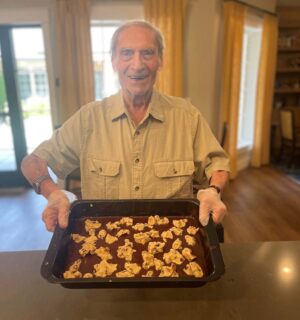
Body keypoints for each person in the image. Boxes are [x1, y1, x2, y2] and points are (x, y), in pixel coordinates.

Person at [21, 20, 230, 232]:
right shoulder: (88, 119)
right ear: (113, 61)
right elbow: (32, 162)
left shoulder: (187, 116)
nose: (137, 65)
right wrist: (53, 193)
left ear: (160, 60)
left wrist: (213, 190)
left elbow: (217, 163)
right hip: (104, 244)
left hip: (171, 242)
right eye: (127, 53)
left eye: (147, 53)